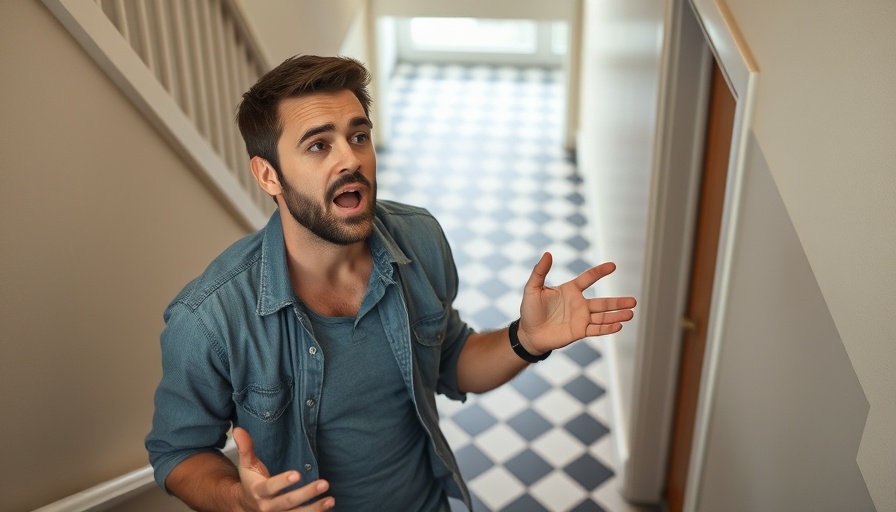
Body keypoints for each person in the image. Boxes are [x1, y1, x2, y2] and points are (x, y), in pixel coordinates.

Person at [145, 54, 636, 512]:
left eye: (358, 136)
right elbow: (179, 451)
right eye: (319, 145)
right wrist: (241, 500)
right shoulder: (209, 319)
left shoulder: (419, 239)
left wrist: (524, 340)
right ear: (268, 174)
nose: (351, 160)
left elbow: (451, 360)